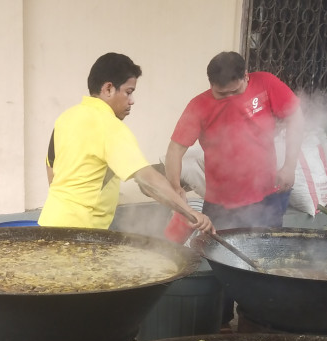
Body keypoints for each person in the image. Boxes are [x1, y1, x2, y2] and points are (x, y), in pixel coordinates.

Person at [38, 52, 213, 233]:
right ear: (108, 89)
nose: (132, 101)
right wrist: (191, 213)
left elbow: (51, 170)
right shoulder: (109, 126)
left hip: (49, 223)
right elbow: (147, 180)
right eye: (128, 92)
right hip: (80, 233)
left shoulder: (67, 118)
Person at [163, 51, 304, 231]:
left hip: (266, 197)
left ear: (246, 76)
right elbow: (175, 149)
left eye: (235, 91)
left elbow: (296, 118)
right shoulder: (198, 105)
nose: (230, 98)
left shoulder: (265, 83)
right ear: (211, 84)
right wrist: (175, 187)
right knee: (220, 256)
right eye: (221, 94)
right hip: (220, 205)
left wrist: (289, 167)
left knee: (265, 253)